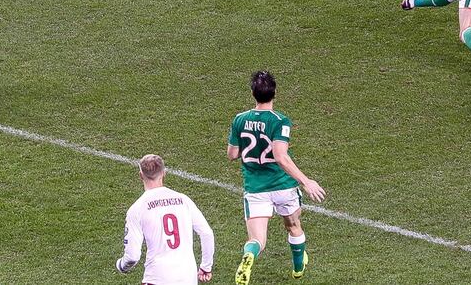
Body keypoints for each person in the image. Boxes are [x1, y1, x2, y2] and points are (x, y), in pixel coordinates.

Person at [227, 71, 325, 284]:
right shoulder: (280, 121)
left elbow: (232, 154)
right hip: (283, 187)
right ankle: (298, 267)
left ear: (253, 93)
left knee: (257, 240)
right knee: (293, 225)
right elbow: (281, 157)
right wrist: (306, 181)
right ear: (274, 93)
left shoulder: (239, 119)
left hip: (255, 189)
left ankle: (250, 255)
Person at [116, 154, 215, 285]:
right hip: (187, 278)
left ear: (141, 175)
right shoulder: (184, 200)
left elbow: (132, 257)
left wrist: (121, 265)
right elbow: (207, 233)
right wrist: (205, 267)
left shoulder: (137, 209)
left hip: (157, 278)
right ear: (164, 173)